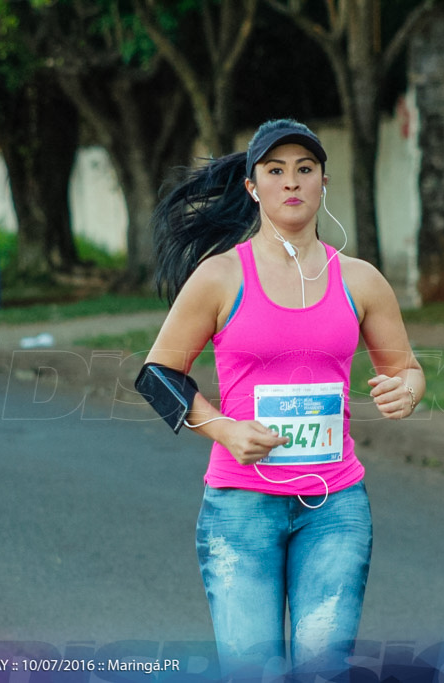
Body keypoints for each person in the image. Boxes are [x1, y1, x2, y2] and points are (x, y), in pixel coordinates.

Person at [141, 119, 425, 679]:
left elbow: (407, 369)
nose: (291, 182)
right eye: (275, 171)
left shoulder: (362, 280)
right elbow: (158, 374)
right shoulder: (220, 276)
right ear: (253, 187)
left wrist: (407, 391)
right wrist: (222, 427)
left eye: (304, 170)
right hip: (241, 509)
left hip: (335, 508)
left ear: (323, 182)